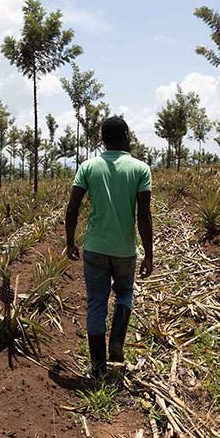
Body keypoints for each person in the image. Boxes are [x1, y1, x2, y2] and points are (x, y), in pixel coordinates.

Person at [64, 115, 153, 378]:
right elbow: (144, 215)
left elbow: (72, 208)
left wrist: (69, 241)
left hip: (94, 248)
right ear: (126, 135)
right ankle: (117, 340)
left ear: (102, 139)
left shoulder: (88, 167)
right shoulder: (140, 169)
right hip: (125, 250)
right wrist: (149, 254)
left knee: (96, 304)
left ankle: (98, 368)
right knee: (125, 293)